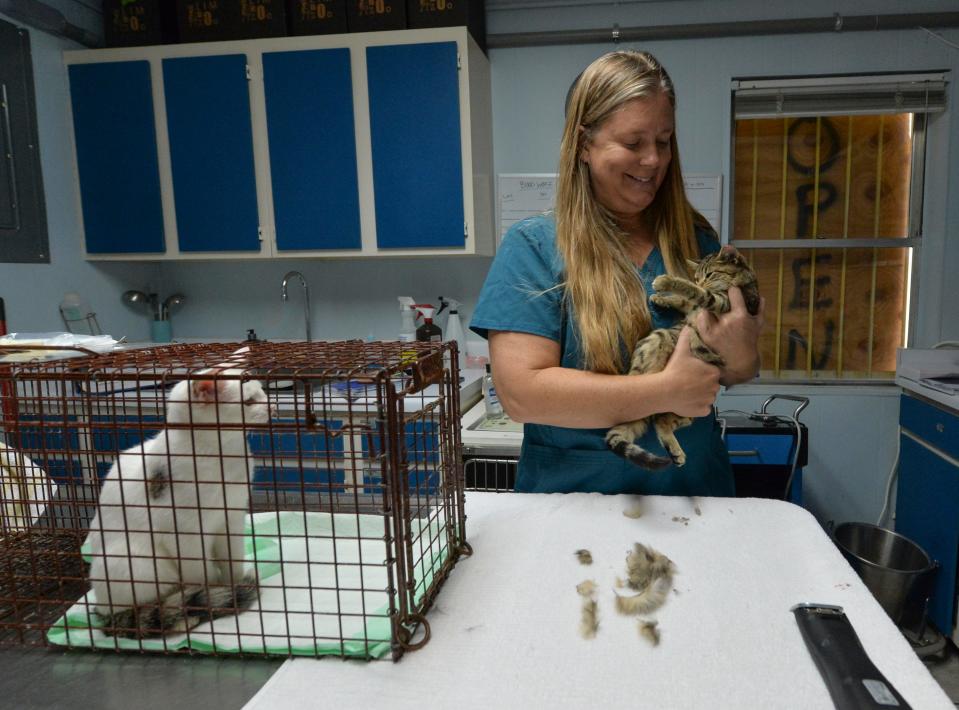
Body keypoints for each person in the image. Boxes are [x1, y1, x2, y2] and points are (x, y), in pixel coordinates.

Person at [469, 50, 764, 496]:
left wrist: (742, 348)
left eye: (663, 142)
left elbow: (734, 372)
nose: (653, 161)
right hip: (575, 501)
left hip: (695, 494)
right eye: (633, 143)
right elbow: (521, 394)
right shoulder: (533, 247)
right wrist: (664, 391)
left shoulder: (696, 240)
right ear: (584, 145)